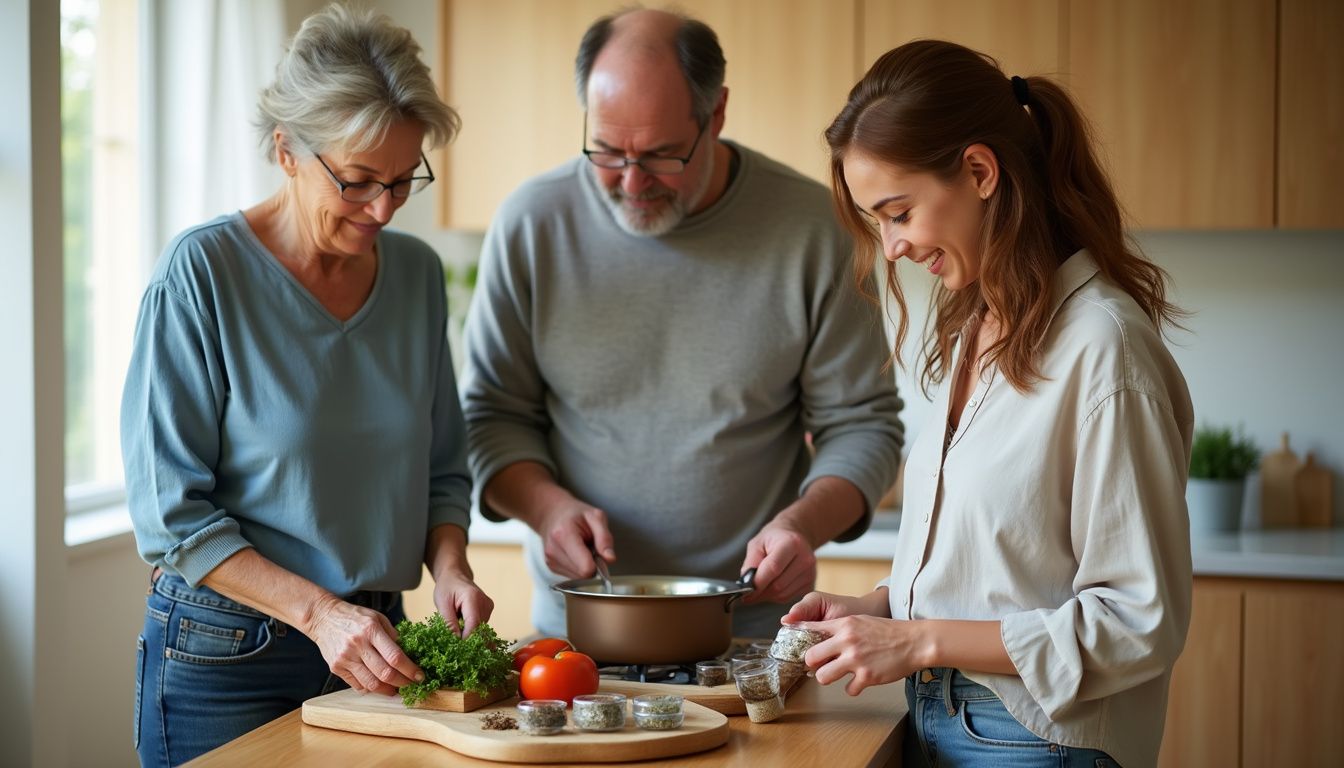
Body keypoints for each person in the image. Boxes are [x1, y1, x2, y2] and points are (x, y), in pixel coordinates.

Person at [782, 40, 1194, 767]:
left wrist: (916, 640)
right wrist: (881, 611)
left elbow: (1138, 624)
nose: (893, 247)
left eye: (899, 212)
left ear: (978, 171)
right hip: (944, 716)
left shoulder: (1103, 349)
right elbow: (1005, 567)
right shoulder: (977, 330)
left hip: (1035, 740)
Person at [120, 6, 492, 766]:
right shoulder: (201, 275)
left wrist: (450, 564)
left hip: (378, 646)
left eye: (402, 180)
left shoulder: (415, 275)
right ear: (286, 150)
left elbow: (442, 468)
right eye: (357, 182)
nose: (383, 209)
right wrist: (320, 614)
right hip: (225, 655)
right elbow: (169, 514)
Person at [460, 8, 904, 641]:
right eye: (607, 152)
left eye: (662, 155)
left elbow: (864, 426)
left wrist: (801, 526)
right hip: (580, 625)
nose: (632, 183)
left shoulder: (814, 230)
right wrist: (546, 509)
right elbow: (491, 418)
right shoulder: (531, 225)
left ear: (715, 114)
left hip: (751, 628)